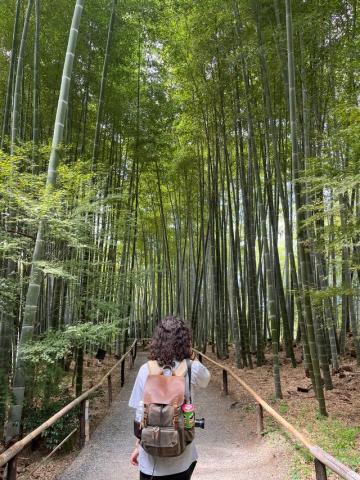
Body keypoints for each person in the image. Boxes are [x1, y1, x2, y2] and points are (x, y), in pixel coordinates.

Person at [129, 316, 211, 479]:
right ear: (185, 341)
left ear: (158, 340)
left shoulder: (146, 370)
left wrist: (138, 445)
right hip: (183, 456)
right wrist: (191, 355)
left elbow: (139, 414)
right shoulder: (191, 368)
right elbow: (206, 379)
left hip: (150, 460)